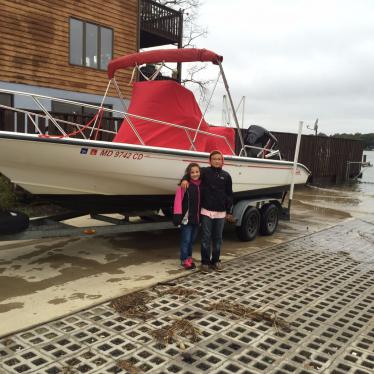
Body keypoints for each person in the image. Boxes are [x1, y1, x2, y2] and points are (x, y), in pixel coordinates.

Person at [181, 150, 234, 273]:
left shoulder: (226, 175)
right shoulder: (204, 172)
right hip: (206, 212)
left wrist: (229, 210)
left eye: (219, 159)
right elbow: (192, 172)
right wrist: (184, 179)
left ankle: (215, 261)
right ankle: (205, 262)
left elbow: (230, 194)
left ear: (222, 161)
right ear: (209, 161)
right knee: (205, 238)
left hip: (221, 213)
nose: (216, 161)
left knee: (218, 238)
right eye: (214, 159)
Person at [173, 163, 202, 270]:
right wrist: (177, 215)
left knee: (192, 240)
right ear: (188, 174)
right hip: (186, 219)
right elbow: (177, 201)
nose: (195, 174)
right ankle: (184, 259)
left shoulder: (201, 184)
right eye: (192, 172)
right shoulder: (185, 185)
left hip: (197, 218)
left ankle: (189, 257)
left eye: (197, 172)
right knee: (186, 240)